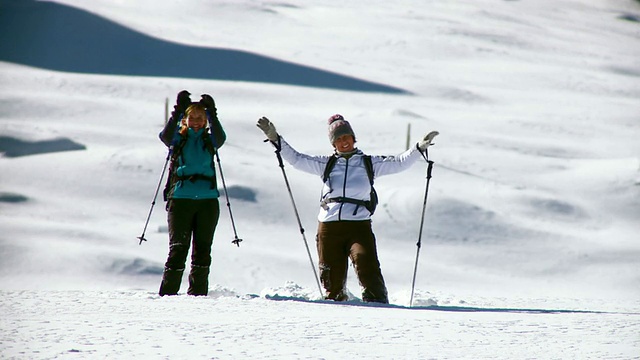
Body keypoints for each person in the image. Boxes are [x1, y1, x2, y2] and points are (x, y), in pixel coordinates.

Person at [257, 114, 438, 303]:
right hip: (329, 228)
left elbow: (399, 163)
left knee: (365, 262)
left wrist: (419, 148)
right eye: (339, 139)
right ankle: (338, 311)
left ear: (353, 138)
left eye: (347, 137)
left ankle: (378, 304)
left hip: (358, 226)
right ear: (333, 144)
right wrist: (275, 138)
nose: (344, 142)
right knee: (331, 282)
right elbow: (296, 159)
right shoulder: (326, 164)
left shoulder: (369, 163)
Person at [158, 90, 226, 296]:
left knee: (203, 250)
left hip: (207, 202)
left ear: (206, 121)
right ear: (185, 120)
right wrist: (177, 111)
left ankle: (197, 294)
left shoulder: (209, 140)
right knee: (178, 248)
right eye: (192, 117)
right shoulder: (178, 139)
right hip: (180, 200)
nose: (196, 122)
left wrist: (213, 113)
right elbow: (165, 136)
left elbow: (220, 138)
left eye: (200, 118)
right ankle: (168, 294)